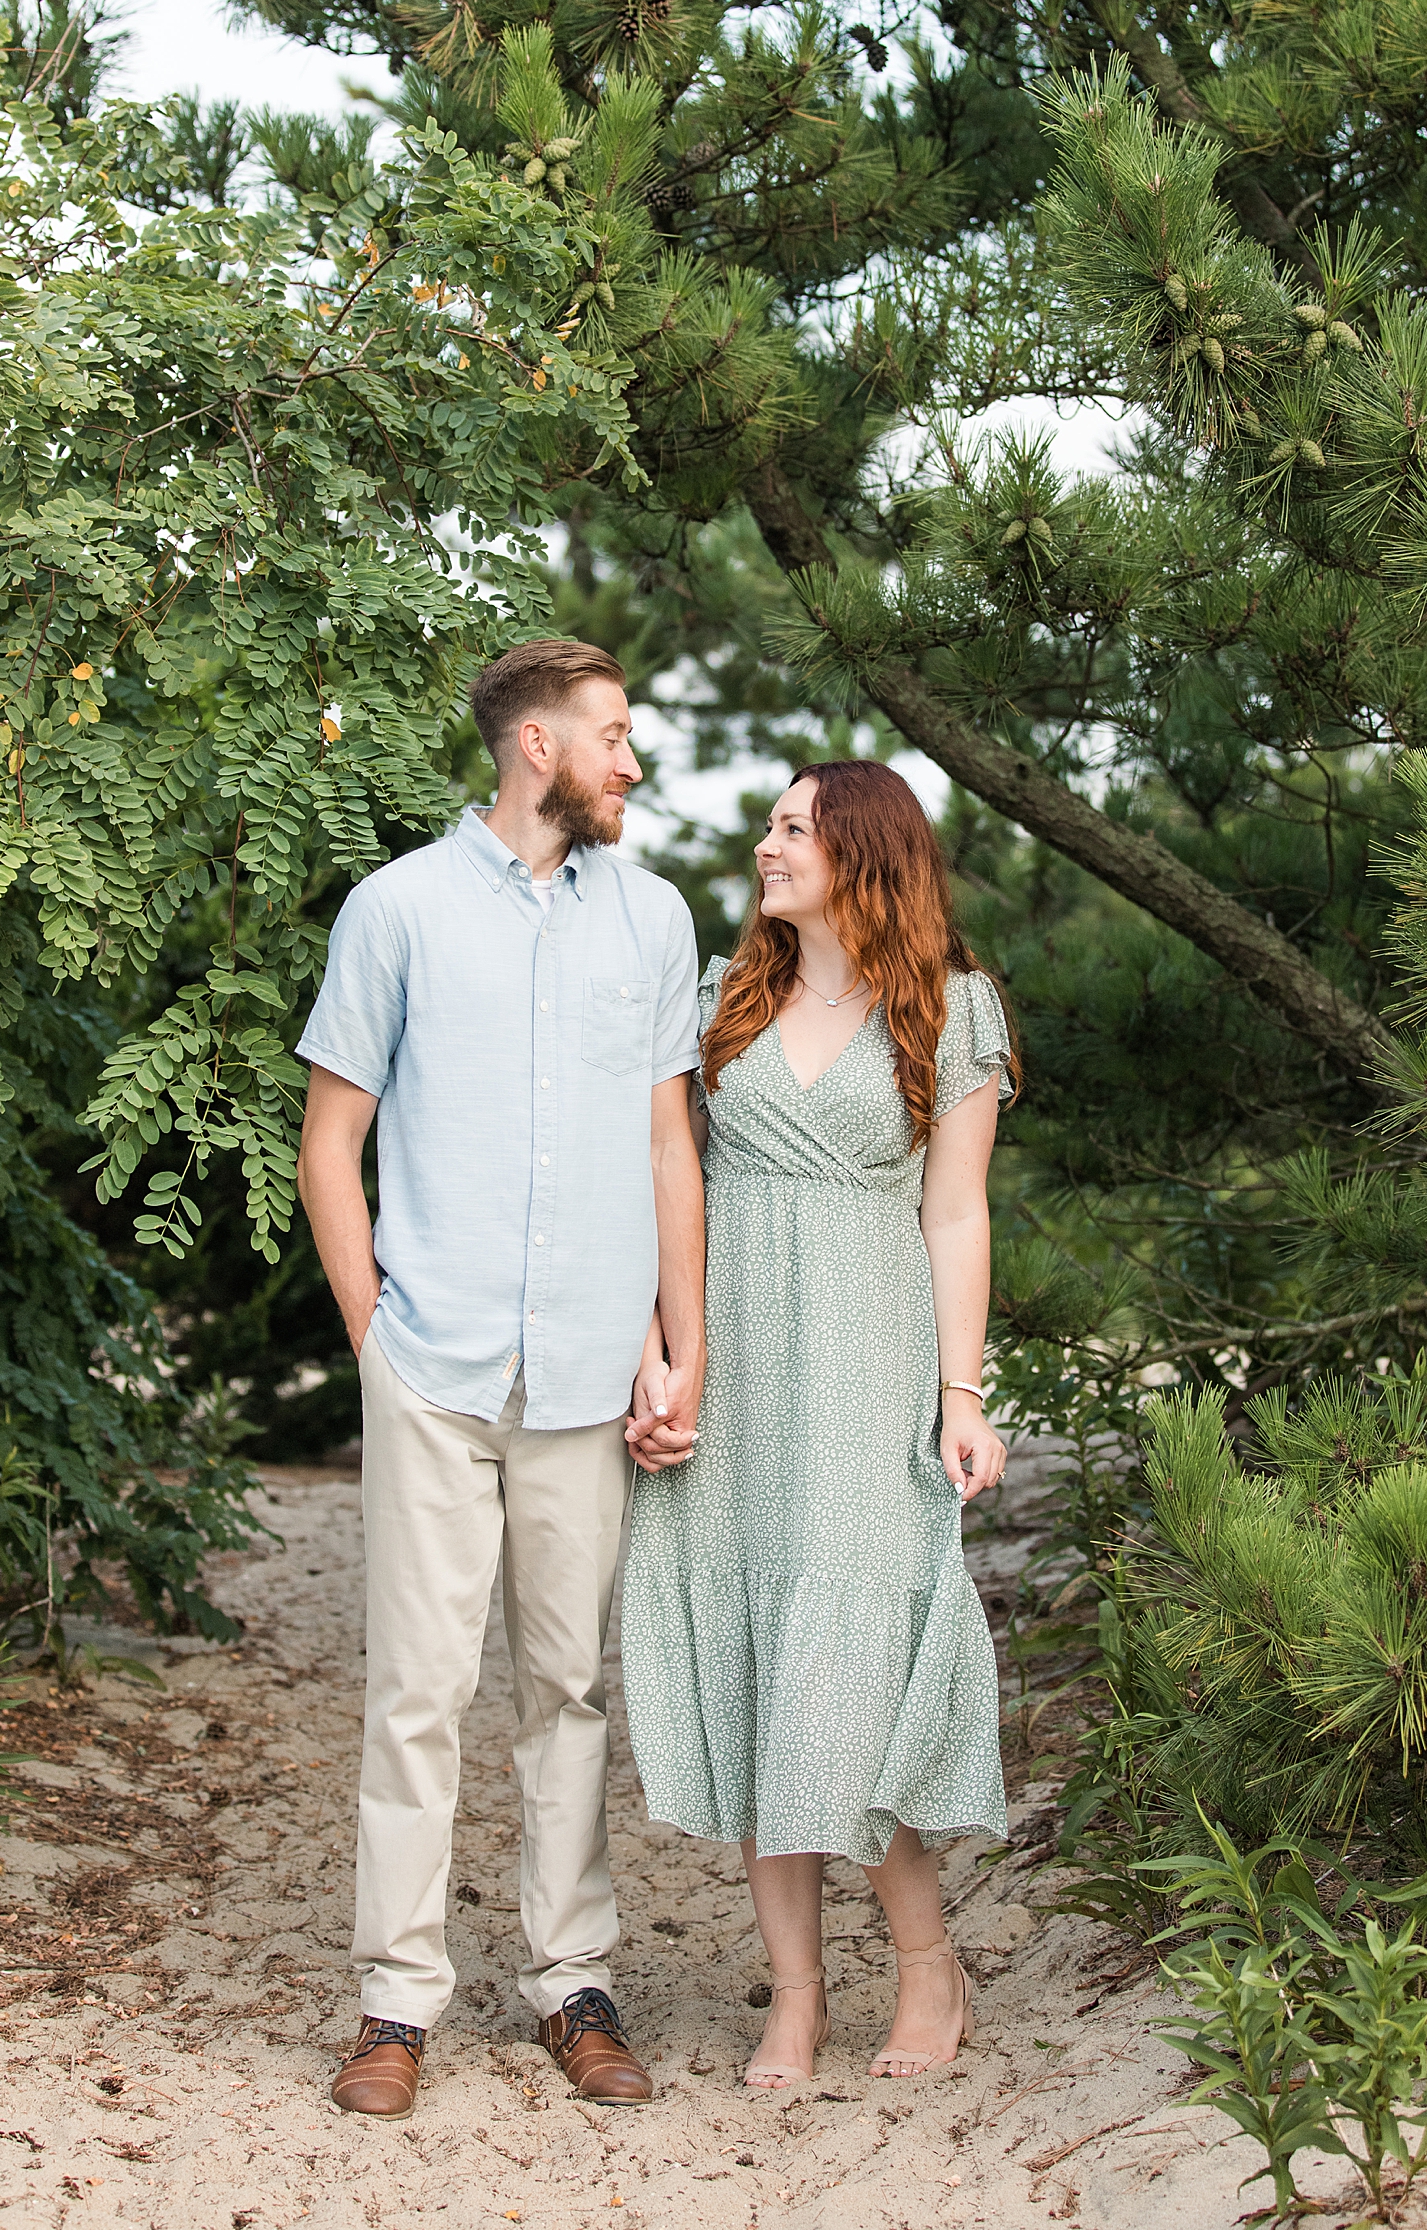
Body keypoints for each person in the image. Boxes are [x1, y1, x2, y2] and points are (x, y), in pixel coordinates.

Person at [294, 639, 706, 2119]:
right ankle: (396, 2000)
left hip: (594, 1368)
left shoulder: (654, 922)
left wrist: (684, 1339)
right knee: (416, 1689)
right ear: (537, 745)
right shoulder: (395, 909)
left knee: (571, 1685)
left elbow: (671, 1143)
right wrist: (371, 1333)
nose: (633, 763)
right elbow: (329, 1140)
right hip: (434, 1361)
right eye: (614, 737)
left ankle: (571, 1982)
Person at [620, 758, 1015, 2090]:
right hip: (733, 1381)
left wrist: (964, 1396)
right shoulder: (717, 1006)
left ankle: (926, 1968)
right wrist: (660, 1355)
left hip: (866, 1369)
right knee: (752, 1680)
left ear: (863, 853)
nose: (767, 842)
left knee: (844, 1688)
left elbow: (955, 1213)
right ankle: (793, 1998)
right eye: (773, 821)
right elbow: (657, 1188)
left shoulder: (953, 1013)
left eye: (795, 827)